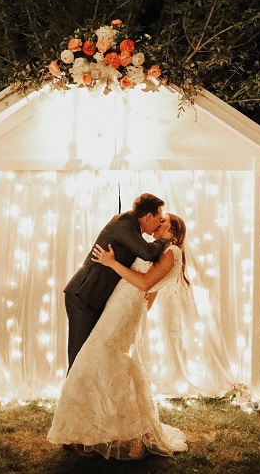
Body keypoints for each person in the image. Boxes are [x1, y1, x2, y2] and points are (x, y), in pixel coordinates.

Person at [48, 213, 189, 460]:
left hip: (123, 311)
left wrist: (112, 263)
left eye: (163, 222)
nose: (157, 224)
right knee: (101, 365)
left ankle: (117, 433)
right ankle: (100, 429)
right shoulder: (156, 251)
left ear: (174, 233)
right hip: (119, 307)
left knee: (97, 362)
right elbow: (149, 297)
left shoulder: (173, 253)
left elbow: (146, 285)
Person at [62, 193, 170, 370]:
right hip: (84, 295)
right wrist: (165, 238)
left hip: (94, 296)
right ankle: (71, 397)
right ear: (149, 216)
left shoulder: (132, 227)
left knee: (90, 354)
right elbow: (147, 252)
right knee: (80, 355)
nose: (159, 224)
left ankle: (86, 396)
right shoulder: (124, 223)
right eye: (158, 219)